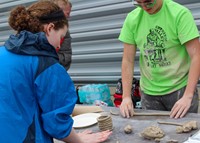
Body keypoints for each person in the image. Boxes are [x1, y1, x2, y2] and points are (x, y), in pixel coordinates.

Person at [0, 1, 112, 143]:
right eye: (61, 37)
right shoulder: (46, 66)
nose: (60, 44)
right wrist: (79, 140)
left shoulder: (2, 53)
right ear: (50, 28)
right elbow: (57, 123)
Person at [118, 0, 200, 119]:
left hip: (180, 89)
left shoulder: (179, 14)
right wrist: (126, 97)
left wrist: (188, 96)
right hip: (149, 93)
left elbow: (196, 56)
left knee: (184, 133)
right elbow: (127, 60)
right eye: (139, 3)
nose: (145, 7)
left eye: (148, 2)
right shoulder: (132, 19)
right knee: (151, 133)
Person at [52, 0, 72, 71]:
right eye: (67, 13)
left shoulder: (65, 32)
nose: (69, 16)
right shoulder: (39, 27)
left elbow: (66, 57)